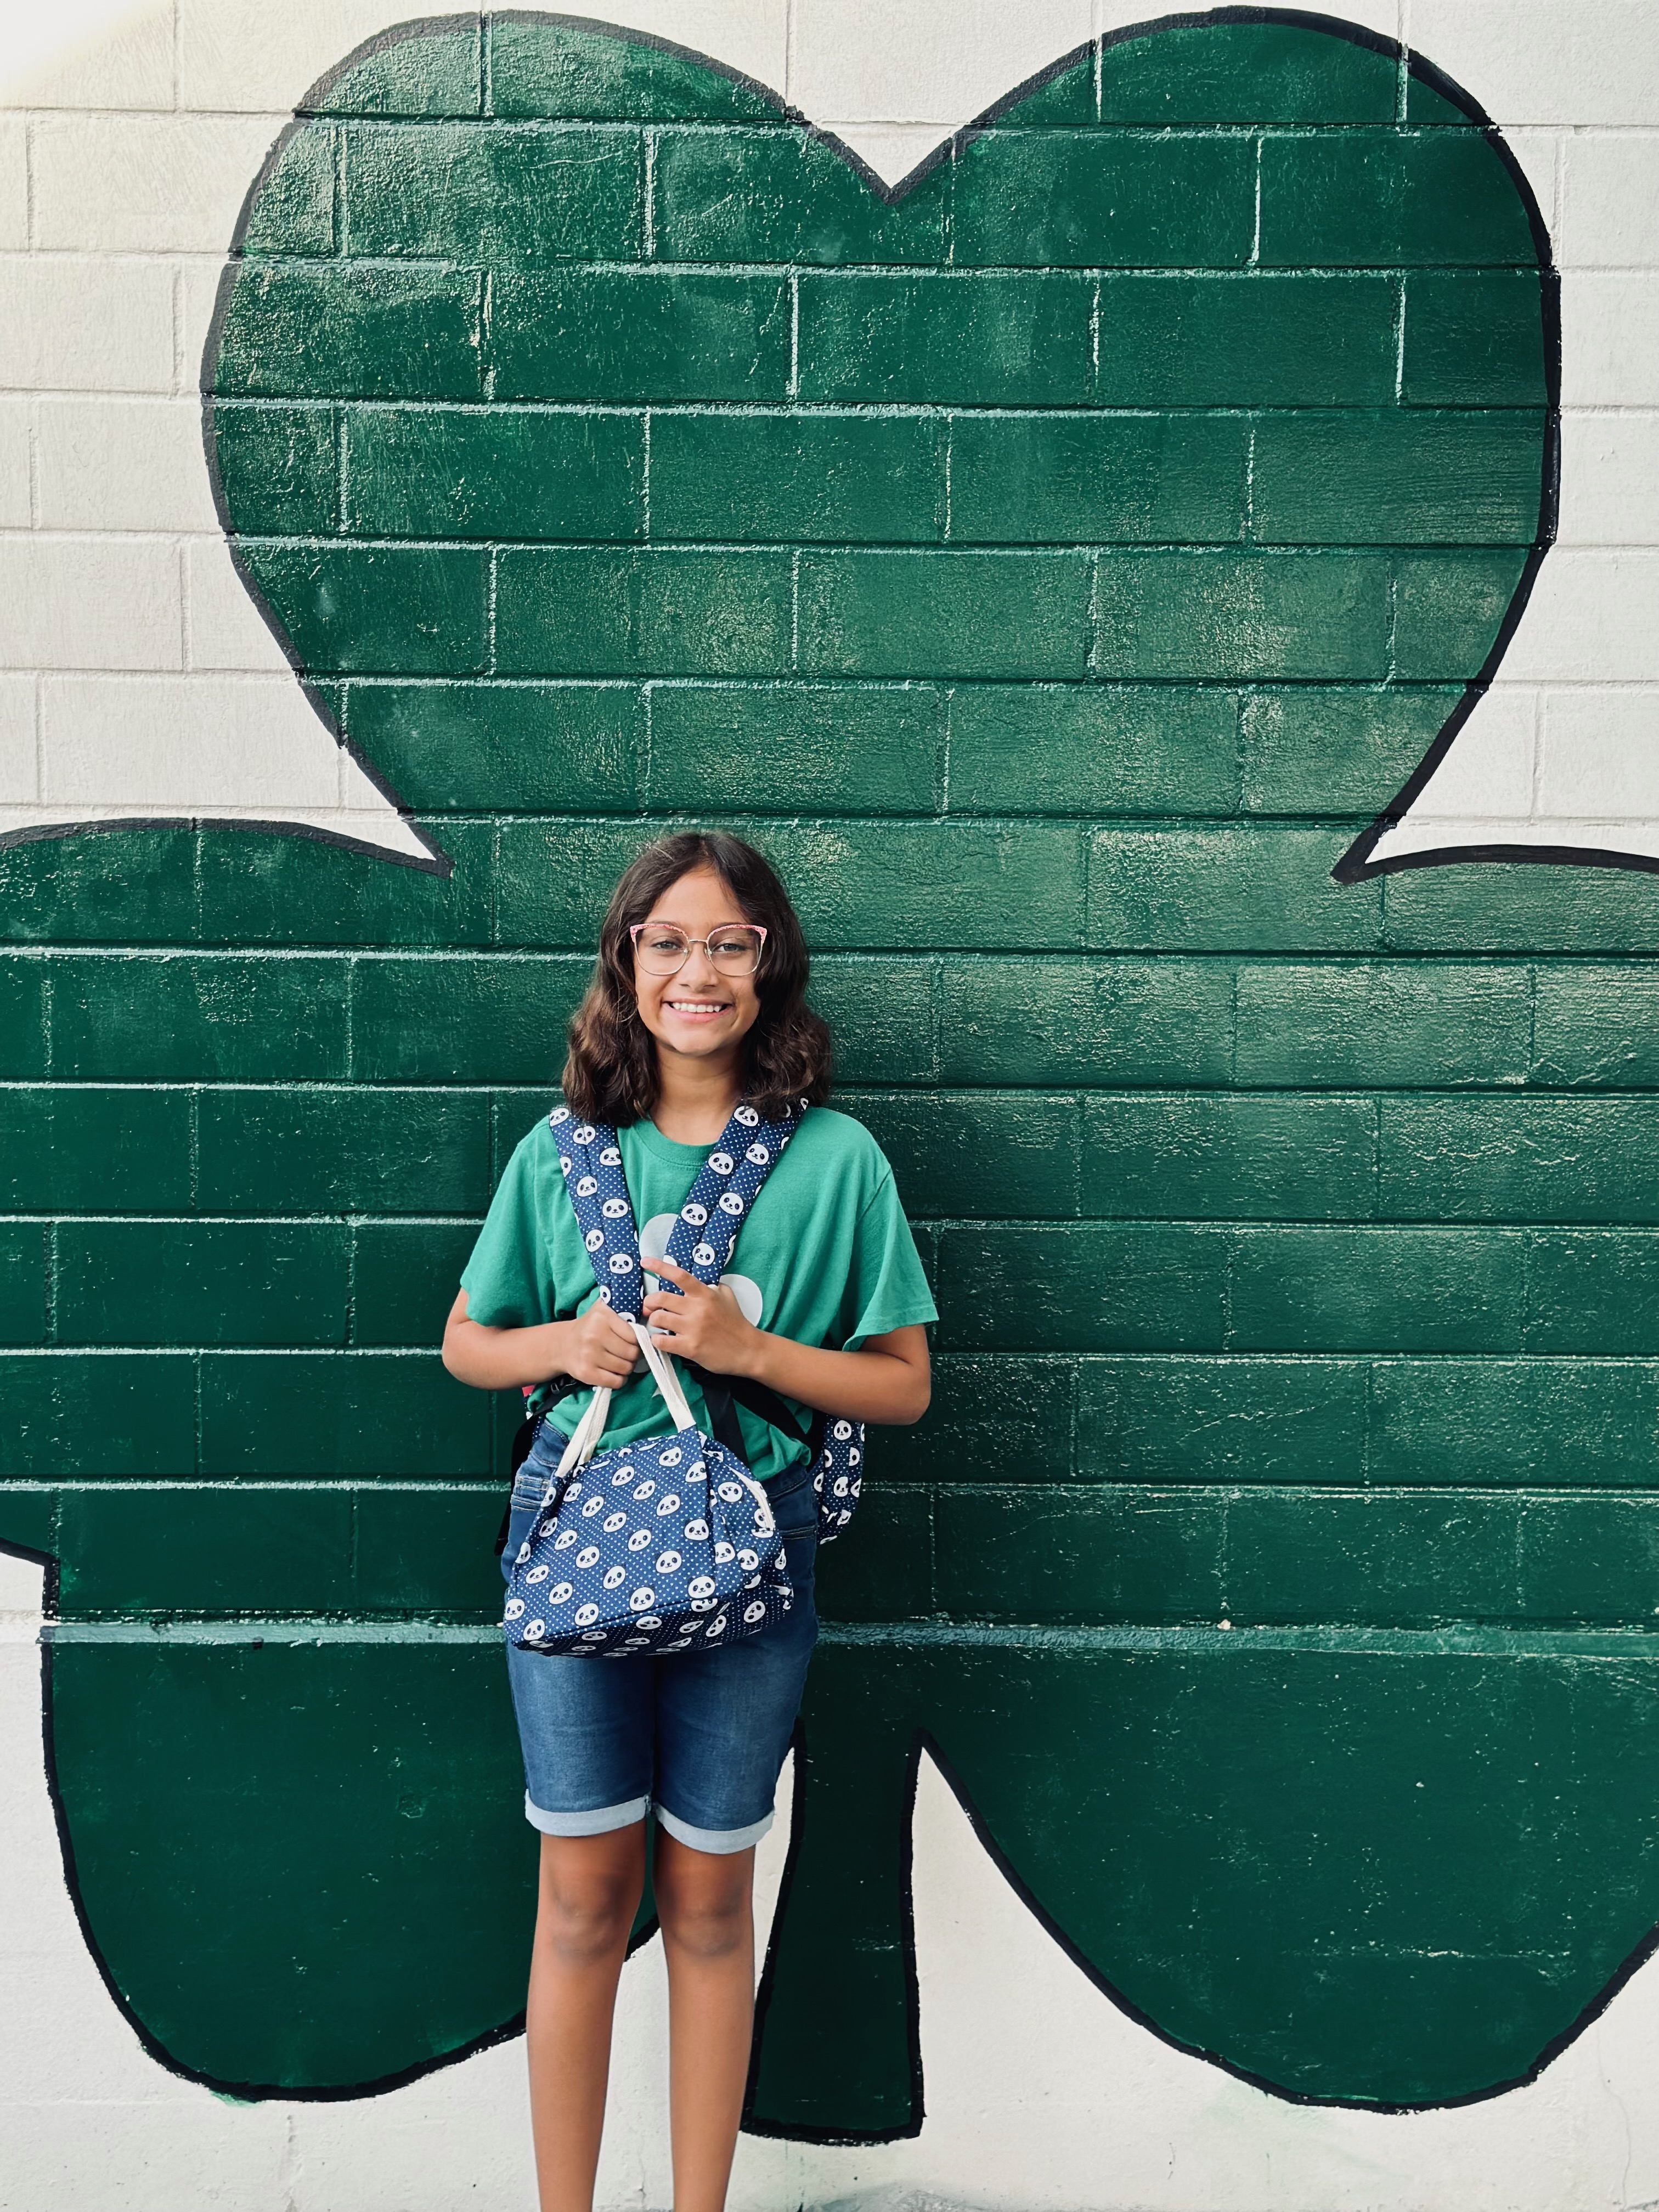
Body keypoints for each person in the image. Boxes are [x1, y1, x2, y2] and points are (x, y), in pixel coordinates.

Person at [442, 830, 936, 2212]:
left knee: (714, 1904)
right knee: (583, 1900)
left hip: (750, 1562)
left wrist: (748, 1347)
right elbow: (465, 1345)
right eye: (668, 943)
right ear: (627, 965)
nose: (698, 972)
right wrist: (561, 1345)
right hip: (580, 1553)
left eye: (730, 943)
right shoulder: (561, 1156)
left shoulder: (836, 1164)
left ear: (771, 967)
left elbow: (902, 1386)